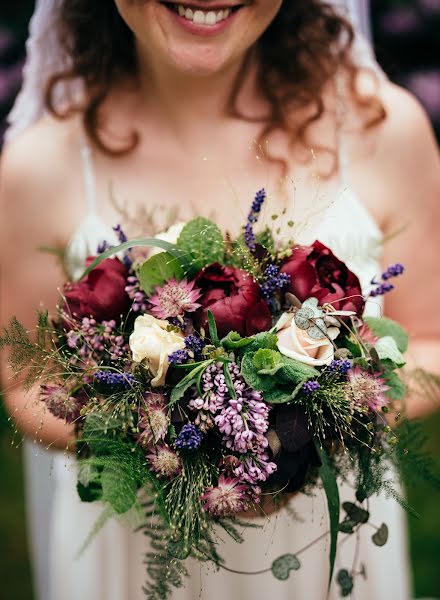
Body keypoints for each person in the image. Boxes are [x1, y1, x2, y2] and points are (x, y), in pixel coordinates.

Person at [1, 1, 439, 599]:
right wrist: (166, 438)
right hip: (140, 559)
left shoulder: (382, 129)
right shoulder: (42, 164)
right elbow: (22, 377)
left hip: (328, 558)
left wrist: (312, 422)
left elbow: (432, 341)